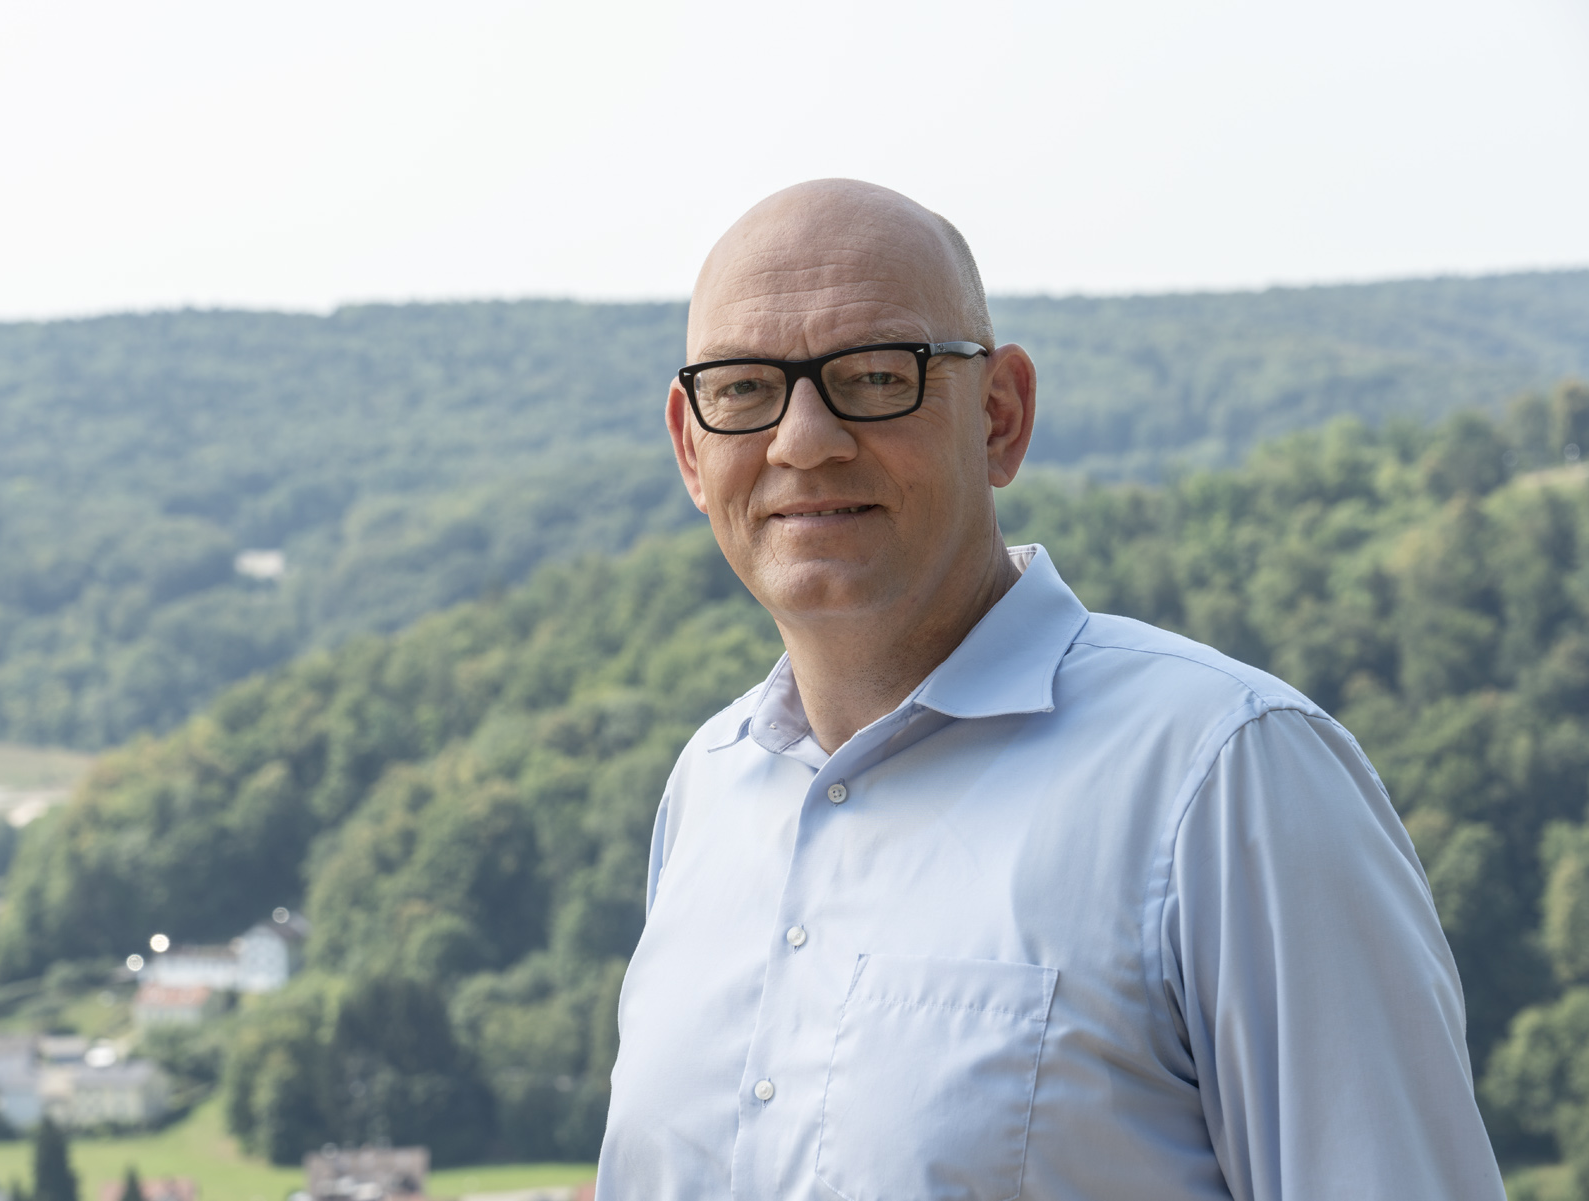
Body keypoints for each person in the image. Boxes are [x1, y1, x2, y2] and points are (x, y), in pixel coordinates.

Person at [596, 179, 1504, 1200]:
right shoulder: (708, 793)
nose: (804, 439)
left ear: (1000, 416)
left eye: (876, 375)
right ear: (690, 444)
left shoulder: (1226, 776)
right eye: (743, 389)